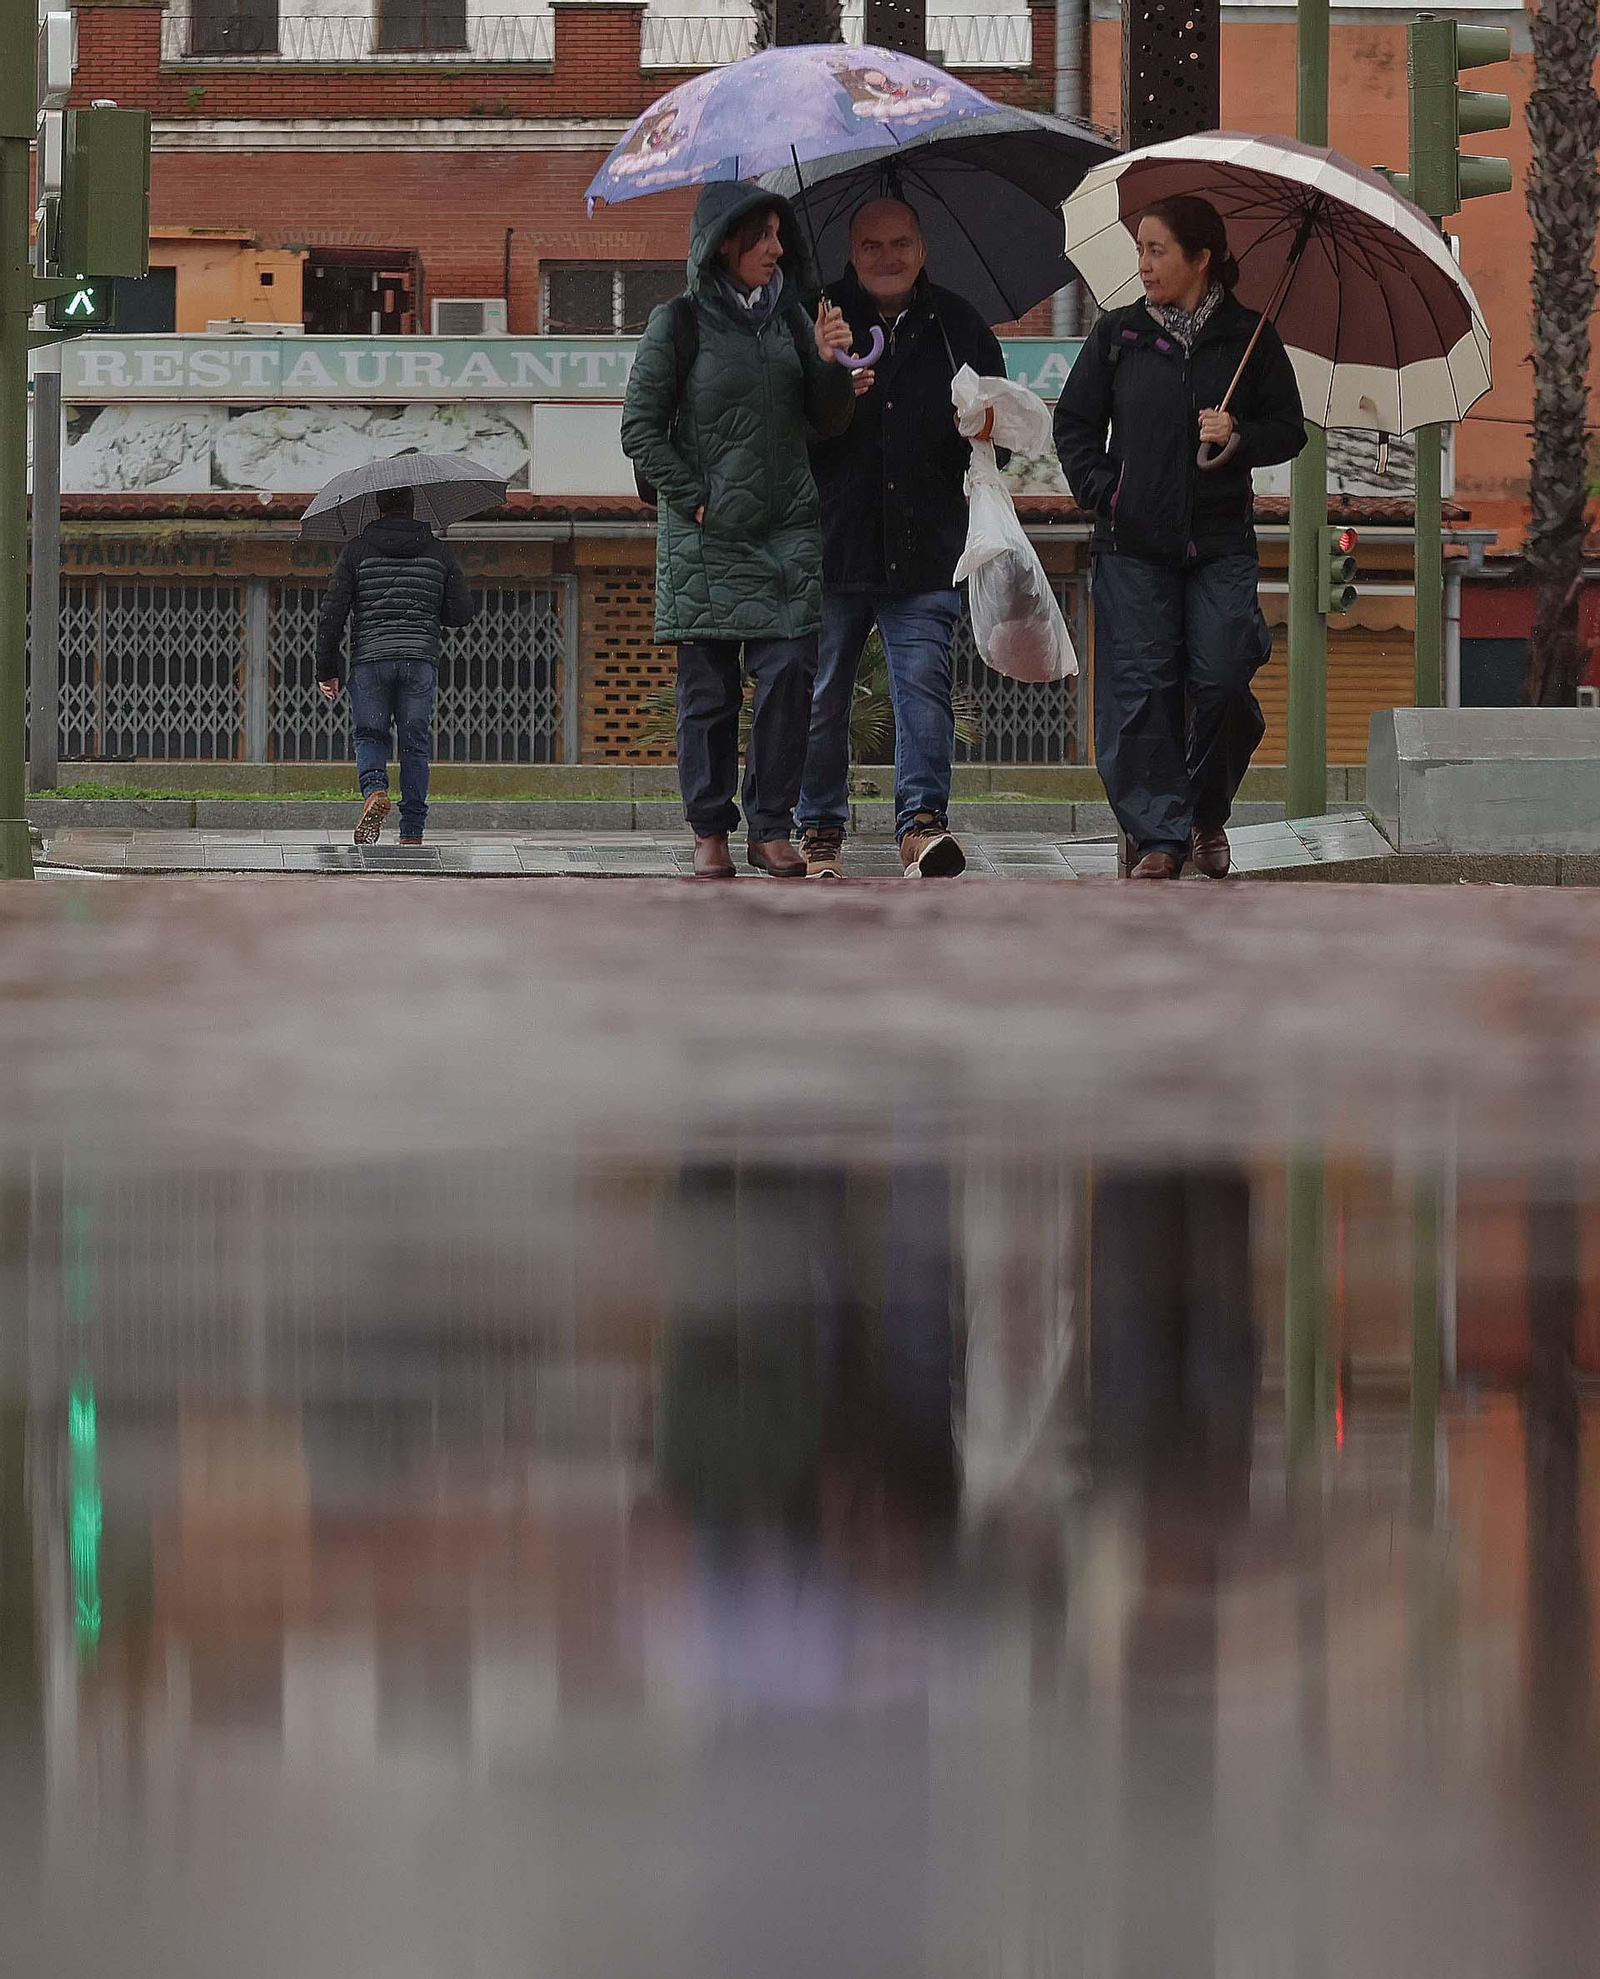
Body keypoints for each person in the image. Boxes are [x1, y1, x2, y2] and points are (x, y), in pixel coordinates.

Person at [1053, 196, 1307, 880]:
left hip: (1220, 543)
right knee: (1142, 692)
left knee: (1223, 679)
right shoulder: (1118, 336)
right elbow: (1075, 427)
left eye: (1157, 250)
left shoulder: (1249, 337)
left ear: (1200, 258)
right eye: (1139, 249)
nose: (1143, 264)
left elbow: (1290, 428)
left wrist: (1241, 436)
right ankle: (1159, 837)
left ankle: (1205, 812)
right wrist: (1109, 492)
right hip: (1131, 543)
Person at [621, 182, 855, 880]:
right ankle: (710, 830)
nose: (777, 249)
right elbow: (639, 429)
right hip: (706, 538)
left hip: (785, 531)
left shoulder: (794, 319)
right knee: (709, 694)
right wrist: (695, 499)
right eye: (762, 236)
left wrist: (828, 358)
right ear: (724, 240)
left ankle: (771, 826)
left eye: (782, 236)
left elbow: (831, 419)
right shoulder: (679, 323)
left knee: (788, 673)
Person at [798, 196, 1008, 881]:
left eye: (900, 244)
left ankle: (922, 827)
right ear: (851, 253)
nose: (886, 258)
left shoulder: (960, 325)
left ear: (923, 247)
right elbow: (782, 430)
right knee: (822, 693)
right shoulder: (817, 319)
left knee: (923, 686)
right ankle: (819, 829)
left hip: (926, 546)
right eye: (871, 246)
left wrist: (986, 430)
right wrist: (826, 379)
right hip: (834, 545)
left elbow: (999, 438)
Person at [316, 485, 476, 846]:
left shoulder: (357, 550)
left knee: (370, 734)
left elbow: (332, 613)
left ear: (378, 508)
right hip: (419, 658)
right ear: (414, 507)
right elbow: (462, 612)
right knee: (414, 743)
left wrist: (327, 669)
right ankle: (412, 831)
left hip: (370, 659)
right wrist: (428, 609)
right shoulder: (438, 551)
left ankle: (374, 791)